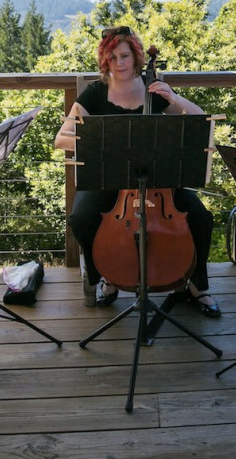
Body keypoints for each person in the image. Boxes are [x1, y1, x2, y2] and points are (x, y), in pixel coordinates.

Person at [53, 25, 220, 317]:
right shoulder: (95, 94)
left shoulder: (154, 90)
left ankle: (197, 285)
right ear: (105, 60)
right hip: (109, 179)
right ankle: (106, 277)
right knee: (80, 219)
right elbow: (61, 139)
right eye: (113, 57)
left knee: (201, 217)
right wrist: (102, 137)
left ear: (136, 57)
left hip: (158, 181)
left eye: (125, 56)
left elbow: (200, 122)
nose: (119, 63)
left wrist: (173, 98)